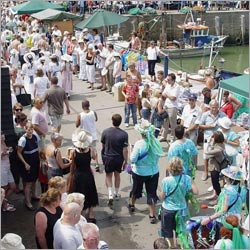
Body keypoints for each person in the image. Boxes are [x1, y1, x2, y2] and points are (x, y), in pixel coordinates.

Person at [128, 119, 164, 224]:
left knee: (136, 189)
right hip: (153, 171)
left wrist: (131, 150)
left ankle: (131, 204)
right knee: (151, 193)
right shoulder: (156, 142)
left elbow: (133, 159)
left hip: (139, 172)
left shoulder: (139, 144)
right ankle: (152, 215)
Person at [160, 157, 199, 248]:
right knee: (181, 230)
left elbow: (162, 197)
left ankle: (172, 246)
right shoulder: (186, 178)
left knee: (168, 230)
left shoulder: (166, 180)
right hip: (182, 210)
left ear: (170, 168)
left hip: (168, 209)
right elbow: (196, 192)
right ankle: (181, 245)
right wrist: (191, 180)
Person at [68, 128, 99, 223]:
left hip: (78, 175)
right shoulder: (90, 151)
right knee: (90, 192)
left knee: (80, 193)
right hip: (88, 174)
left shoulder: (73, 152)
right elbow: (94, 157)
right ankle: (91, 212)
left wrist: (71, 176)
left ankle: (81, 212)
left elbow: (72, 165)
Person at [101, 114, 128, 207]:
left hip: (108, 157)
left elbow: (103, 146)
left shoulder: (105, 132)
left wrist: (104, 156)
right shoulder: (124, 134)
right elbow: (125, 150)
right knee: (117, 175)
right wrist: (126, 161)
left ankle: (110, 193)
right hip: (118, 158)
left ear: (112, 121)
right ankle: (116, 193)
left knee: (108, 175)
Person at [197, 99, 226, 181]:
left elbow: (227, 124)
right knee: (206, 155)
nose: (214, 109)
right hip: (208, 138)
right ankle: (206, 172)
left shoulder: (222, 115)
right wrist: (210, 126)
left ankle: (219, 172)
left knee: (220, 156)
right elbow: (200, 125)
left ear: (218, 107)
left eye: (216, 107)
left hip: (219, 140)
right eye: (213, 107)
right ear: (209, 107)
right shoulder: (205, 115)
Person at [17, 122, 40, 210]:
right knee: (28, 183)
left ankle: (34, 195)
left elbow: (38, 148)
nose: (30, 131)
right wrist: (25, 164)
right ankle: (28, 202)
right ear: (25, 129)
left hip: (35, 162)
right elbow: (19, 152)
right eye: (28, 129)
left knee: (34, 180)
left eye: (31, 129)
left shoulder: (35, 136)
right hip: (28, 164)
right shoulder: (23, 140)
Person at [75, 100, 99, 171]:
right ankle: (97, 163)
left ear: (82, 106)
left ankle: (87, 164)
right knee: (94, 150)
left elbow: (77, 125)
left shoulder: (80, 115)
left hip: (85, 136)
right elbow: (96, 119)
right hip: (93, 135)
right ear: (89, 105)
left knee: (85, 150)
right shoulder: (93, 112)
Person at [204, 131, 227, 205]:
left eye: (213, 137)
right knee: (215, 183)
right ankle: (216, 195)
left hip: (215, 168)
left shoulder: (218, 150)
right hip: (216, 166)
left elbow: (206, 152)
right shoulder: (221, 144)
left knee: (215, 184)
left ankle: (219, 199)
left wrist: (208, 144)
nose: (212, 138)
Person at [160, 73, 181, 143]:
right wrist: (168, 95)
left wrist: (167, 95)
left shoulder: (177, 87)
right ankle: (164, 136)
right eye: (167, 79)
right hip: (166, 106)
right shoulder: (168, 85)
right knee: (165, 122)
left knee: (173, 124)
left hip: (173, 107)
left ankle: (173, 137)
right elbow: (163, 93)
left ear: (173, 80)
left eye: (169, 80)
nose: (167, 81)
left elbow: (173, 98)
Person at [1, 131, 16, 212]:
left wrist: (8, 151)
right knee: (4, 189)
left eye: (4, 137)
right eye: (2, 137)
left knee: (13, 187)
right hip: (2, 170)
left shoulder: (4, 143)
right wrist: (2, 154)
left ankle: (4, 201)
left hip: (8, 168)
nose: (3, 138)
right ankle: (4, 205)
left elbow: (7, 154)